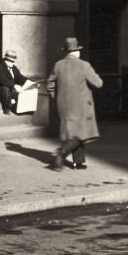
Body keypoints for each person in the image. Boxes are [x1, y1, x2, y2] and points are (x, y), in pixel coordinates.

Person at [47, 36, 102, 171]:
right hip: (81, 105)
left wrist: (57, 97)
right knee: (80, 134)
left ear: (66, 51)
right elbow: (98, 83)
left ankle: (78, 162)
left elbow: (50, 84)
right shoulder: (84, 65)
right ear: (77, 51)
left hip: (63, 104)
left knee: (72, 132)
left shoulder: (58, 65)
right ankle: (61, 153)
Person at [0, 49, 27, 115]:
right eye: (10, 61)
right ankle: (6, 109)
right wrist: (14, 85)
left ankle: (18, 108)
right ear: (6, 60)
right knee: (6, 89)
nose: (12, 63)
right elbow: (3, 81)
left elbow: (20, 77)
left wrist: (30, 81)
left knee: (22, 90)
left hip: (10, 89)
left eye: (13, 61)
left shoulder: (14, 68)